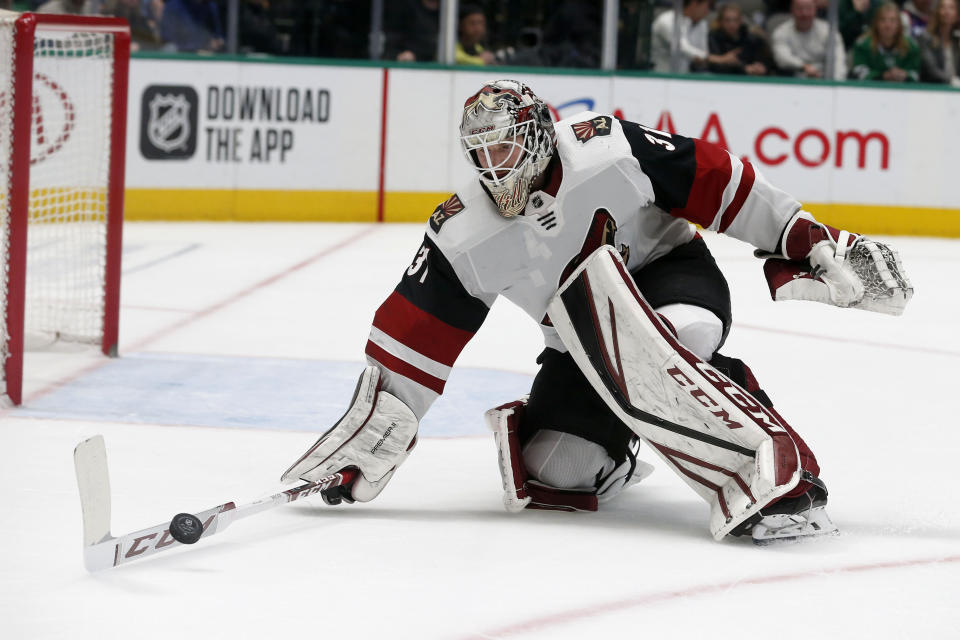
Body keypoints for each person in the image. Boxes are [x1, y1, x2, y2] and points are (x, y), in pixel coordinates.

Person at [281, 80, 912, 544]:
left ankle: (780, 465)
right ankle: (623, 439)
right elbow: (418, 333)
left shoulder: (606, 149)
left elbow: (715, 179)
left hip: (670, 279)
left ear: (533, 138)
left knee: (677, 338)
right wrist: (371, 435)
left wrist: (801, 235)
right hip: (580, 342)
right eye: (479, 155)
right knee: (555, 470)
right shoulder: (464, 231)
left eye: (502, 151)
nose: (490, 168)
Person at [652, 0, 738, 72]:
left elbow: (702, 53)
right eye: (710, 6)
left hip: (684, 78)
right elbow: (683, 48)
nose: (709, 11)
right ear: (694, 3)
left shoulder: (701, 25)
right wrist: (719, 59)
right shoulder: (667, 20)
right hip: (659, 78)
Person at [771, 0, 848, 78]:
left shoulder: (829, 32)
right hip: (791, 79)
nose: (804, 13)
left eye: (808, 9)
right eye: (799, 9)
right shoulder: (781, 31)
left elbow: (838, 60)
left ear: (815, 10)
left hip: (823, 78)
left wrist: (835, 83)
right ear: (792, 10)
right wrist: (803, 66)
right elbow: (782, 58)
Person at [851, 2, 922, 81]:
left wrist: (904, 75)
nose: (887, 25)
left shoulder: (911, 47)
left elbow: (916, 74)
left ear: (899, 25)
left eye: (892, 20)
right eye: (883, 20)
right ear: (876, 23)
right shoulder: (863, 45)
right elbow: (859, 73)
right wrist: (881, 76)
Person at [708, 2, 776, 75]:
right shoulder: (713, 38)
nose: (732, 24)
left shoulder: (752, 38)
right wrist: (744, 69)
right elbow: (714, 66)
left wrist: (763, 67)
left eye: (735, 20)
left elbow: (768, 62)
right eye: (727, 20)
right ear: (720, 22)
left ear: (740, 21)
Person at [918, 0, 960, 85]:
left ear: (957, 15)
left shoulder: (957, 40)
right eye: (943, 7)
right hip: (933, 90)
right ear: (937, 12)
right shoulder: (926, 38)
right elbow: (931, 71)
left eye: (951, 8)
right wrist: (952, 80)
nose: (947, 11)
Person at [160, 0, 225, 53]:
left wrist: (216, 42)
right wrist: (198, 48)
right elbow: (168, 39)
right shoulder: (173, 5)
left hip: (205, 55)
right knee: (169, 48)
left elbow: (217, 37)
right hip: (180, 56)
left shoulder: (211, 6)